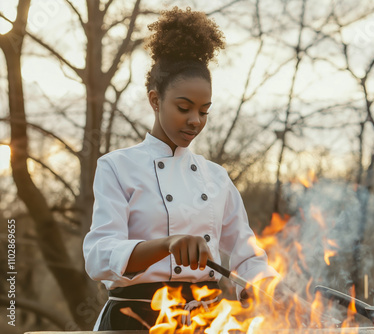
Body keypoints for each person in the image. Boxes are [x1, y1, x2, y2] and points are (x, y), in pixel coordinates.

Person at [83, 7, 278, 331]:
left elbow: (247, 255)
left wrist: (268, 285)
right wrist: (167, 245)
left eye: (204, 111)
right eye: (184, 107)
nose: (195, 121)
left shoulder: (216, 177)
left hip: (207, 322)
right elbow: (99, 256)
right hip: (136, 321)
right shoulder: (117, 168)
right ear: (155, 100)